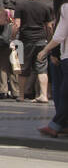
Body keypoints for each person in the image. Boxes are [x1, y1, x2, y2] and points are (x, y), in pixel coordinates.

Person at [14, 0, 53, 103]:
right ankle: (44, 95)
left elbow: (17, 25)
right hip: (41, 40)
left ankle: (21, 95)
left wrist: (13, 37)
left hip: (25, 40)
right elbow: (49, 27)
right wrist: (49, 40)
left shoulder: (20, 5)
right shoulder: (44, 6)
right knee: (42, 68)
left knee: (23, 69)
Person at [35, 7, 68, 137]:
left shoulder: (65, 7)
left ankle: (55, 125)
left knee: (64, 94)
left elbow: (60, 34)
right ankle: (58, 125)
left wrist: (45, 50)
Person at [0, 0, 19, 99]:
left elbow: (0, 25)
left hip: (3, 43)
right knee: (15, 67)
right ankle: (16, 91)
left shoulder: (3, 12)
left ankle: (3, 90)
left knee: (3, 66)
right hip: (16, 43)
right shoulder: (17, 13)